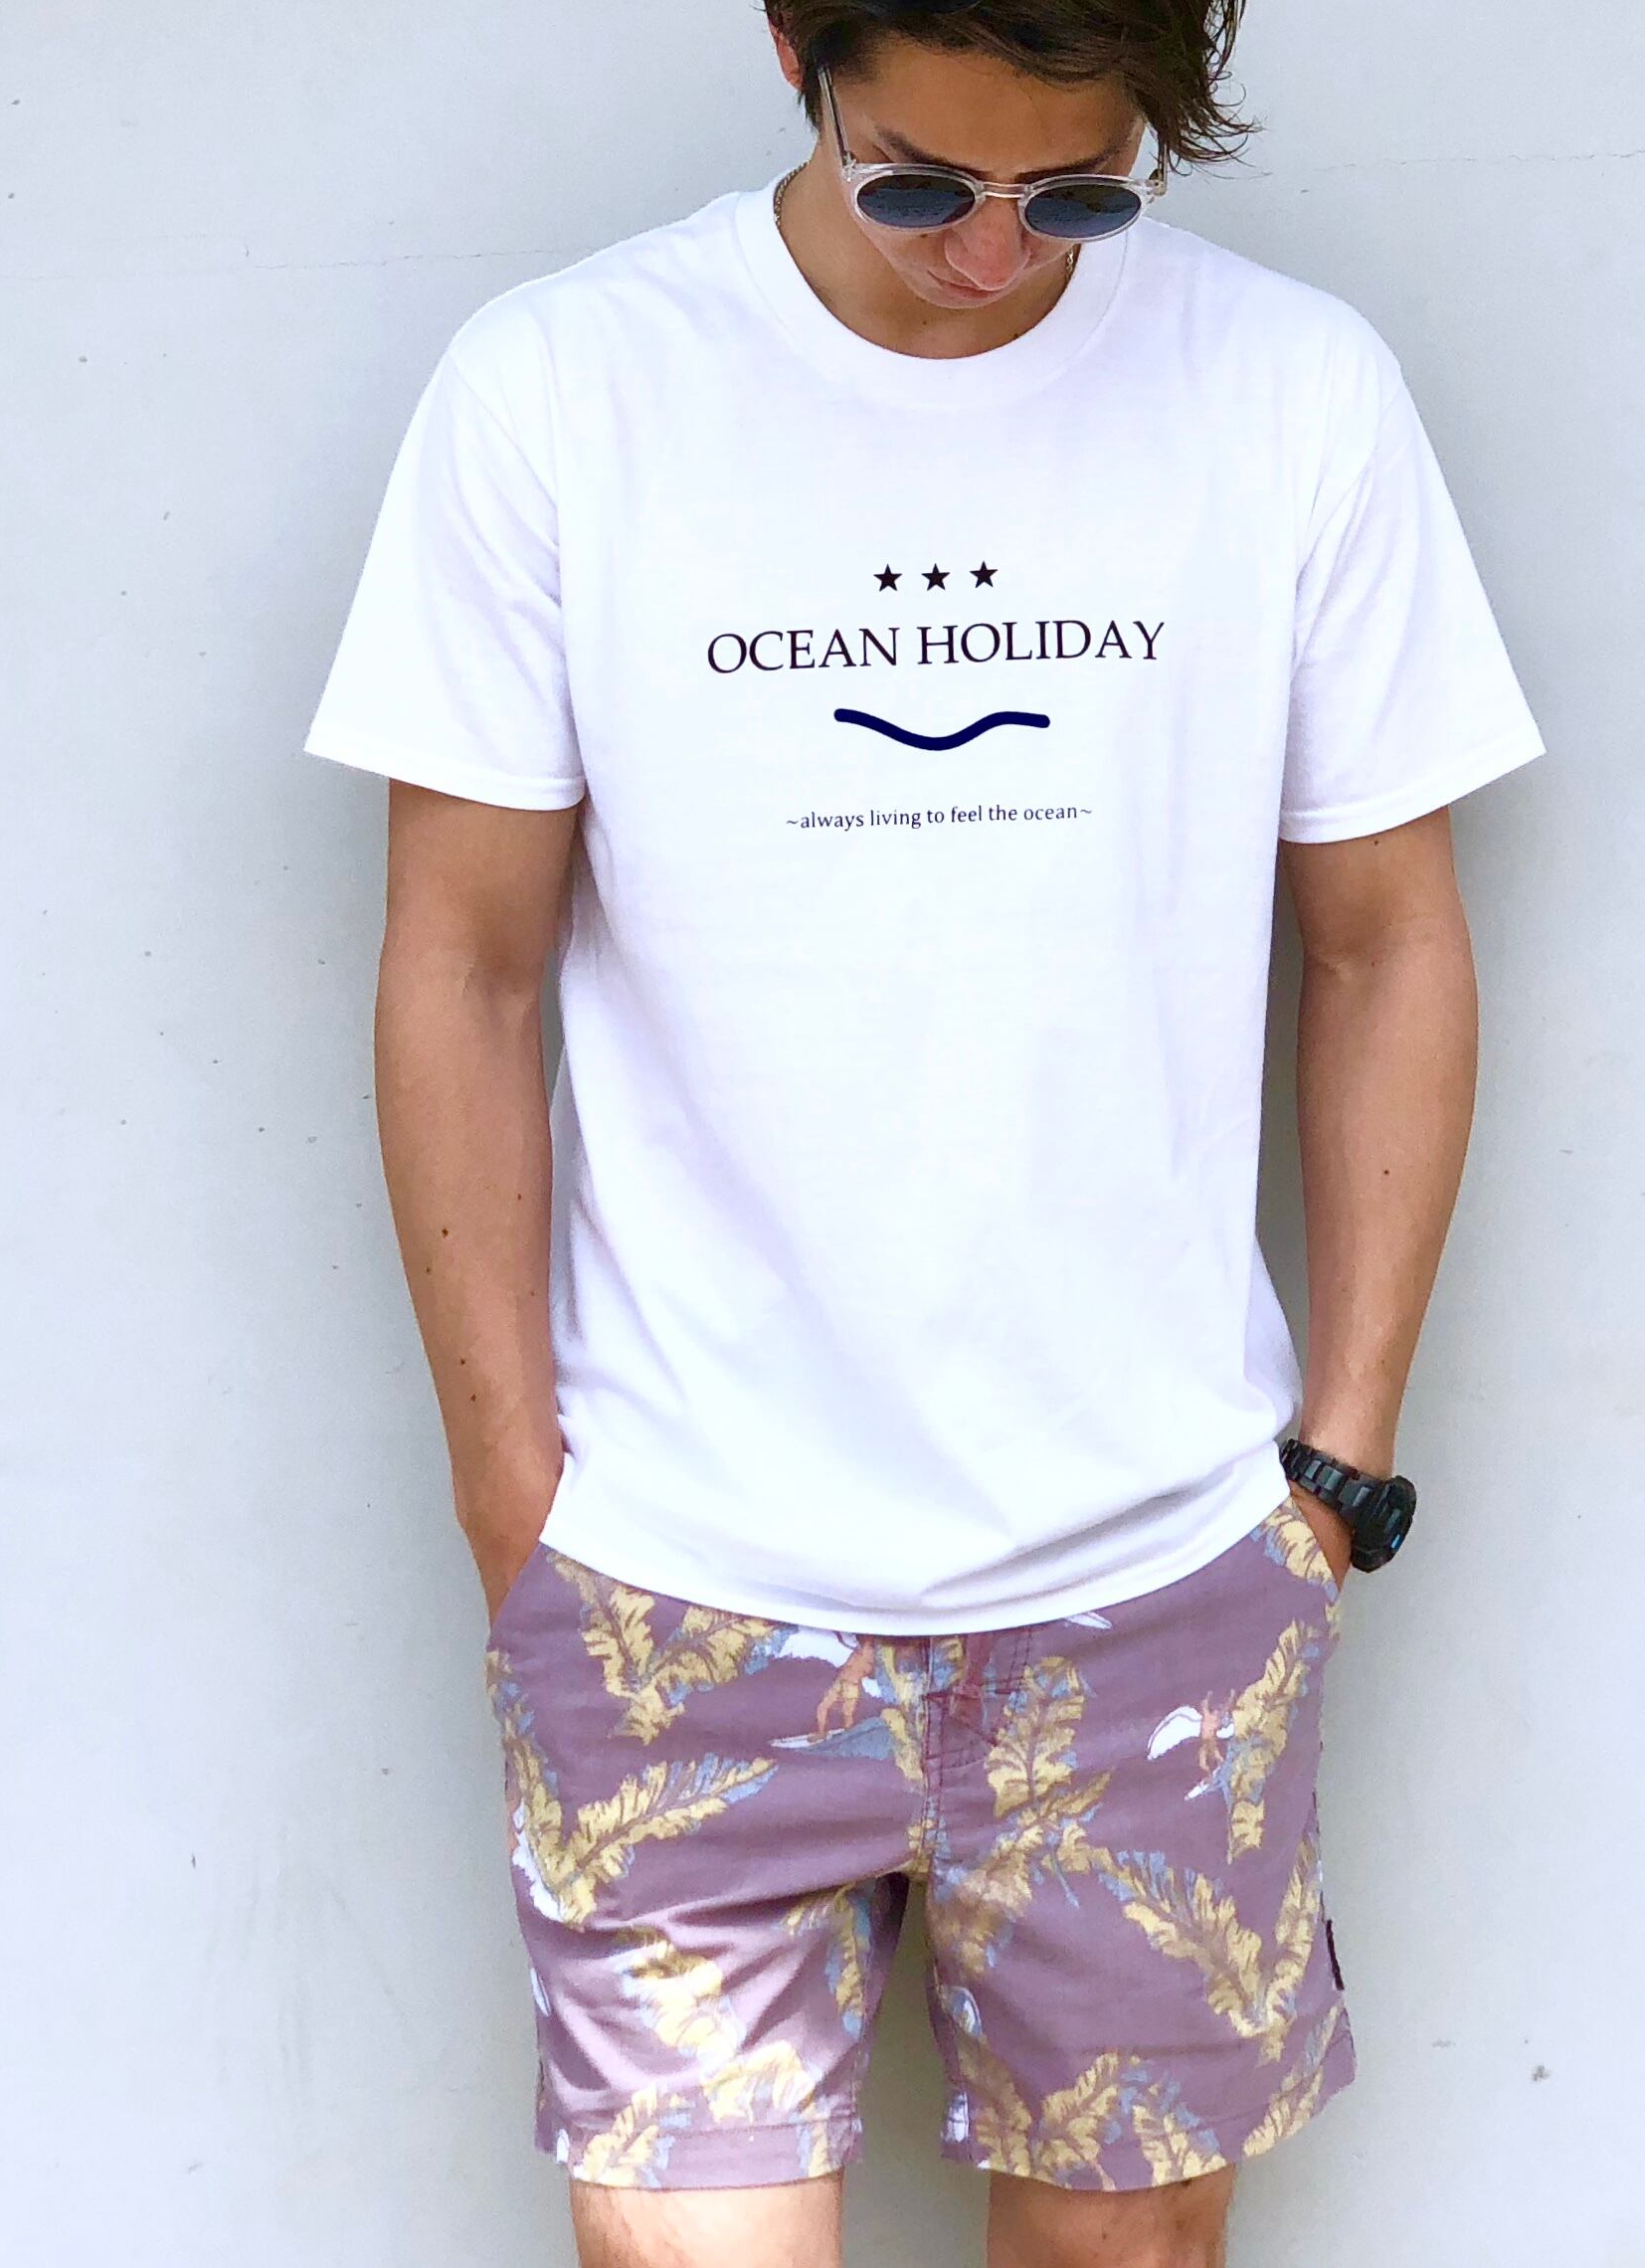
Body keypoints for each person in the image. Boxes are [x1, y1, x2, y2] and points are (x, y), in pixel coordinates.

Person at [301, 0, 1545, 2260]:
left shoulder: (1288, 394)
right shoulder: (566, 391)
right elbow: (460, 962)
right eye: (918, 182)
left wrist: (1339, 1467)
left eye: (1075, 196)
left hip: (1161, 1576)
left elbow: (1388, 940)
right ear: (793, 45)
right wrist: (513, 1496)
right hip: (678, 1580)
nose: (991, 254)